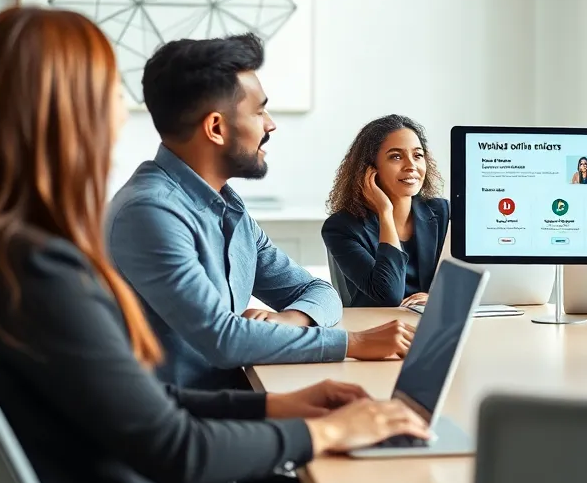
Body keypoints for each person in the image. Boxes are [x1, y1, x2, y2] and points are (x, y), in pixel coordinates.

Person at [0, 7, 429, 483]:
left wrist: (278, 405)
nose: (119, 120)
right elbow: (174, 446)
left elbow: (141, 400)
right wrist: (330, 430)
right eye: (105, 99)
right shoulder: (39, 270)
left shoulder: (17, 256)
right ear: (67, 118)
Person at [107, 34, 413, 390]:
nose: (270, 124)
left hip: (228, 402)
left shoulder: (228, 207)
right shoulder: (149, 212)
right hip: (179, 425)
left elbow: (320, 291)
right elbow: (224, 339)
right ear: (216, 128)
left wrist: (290, 319)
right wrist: (356, 344)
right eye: (259, 111)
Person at [322, 115, 449, 309]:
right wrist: (385, 212)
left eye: (417, 155)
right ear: (369, 169)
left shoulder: (444, 213)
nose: (411, 166)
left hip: (434, 326)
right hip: (375, 330)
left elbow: (474, 282)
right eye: (396, 157)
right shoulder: (340, 228)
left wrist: (439, 297)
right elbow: (387, 296)